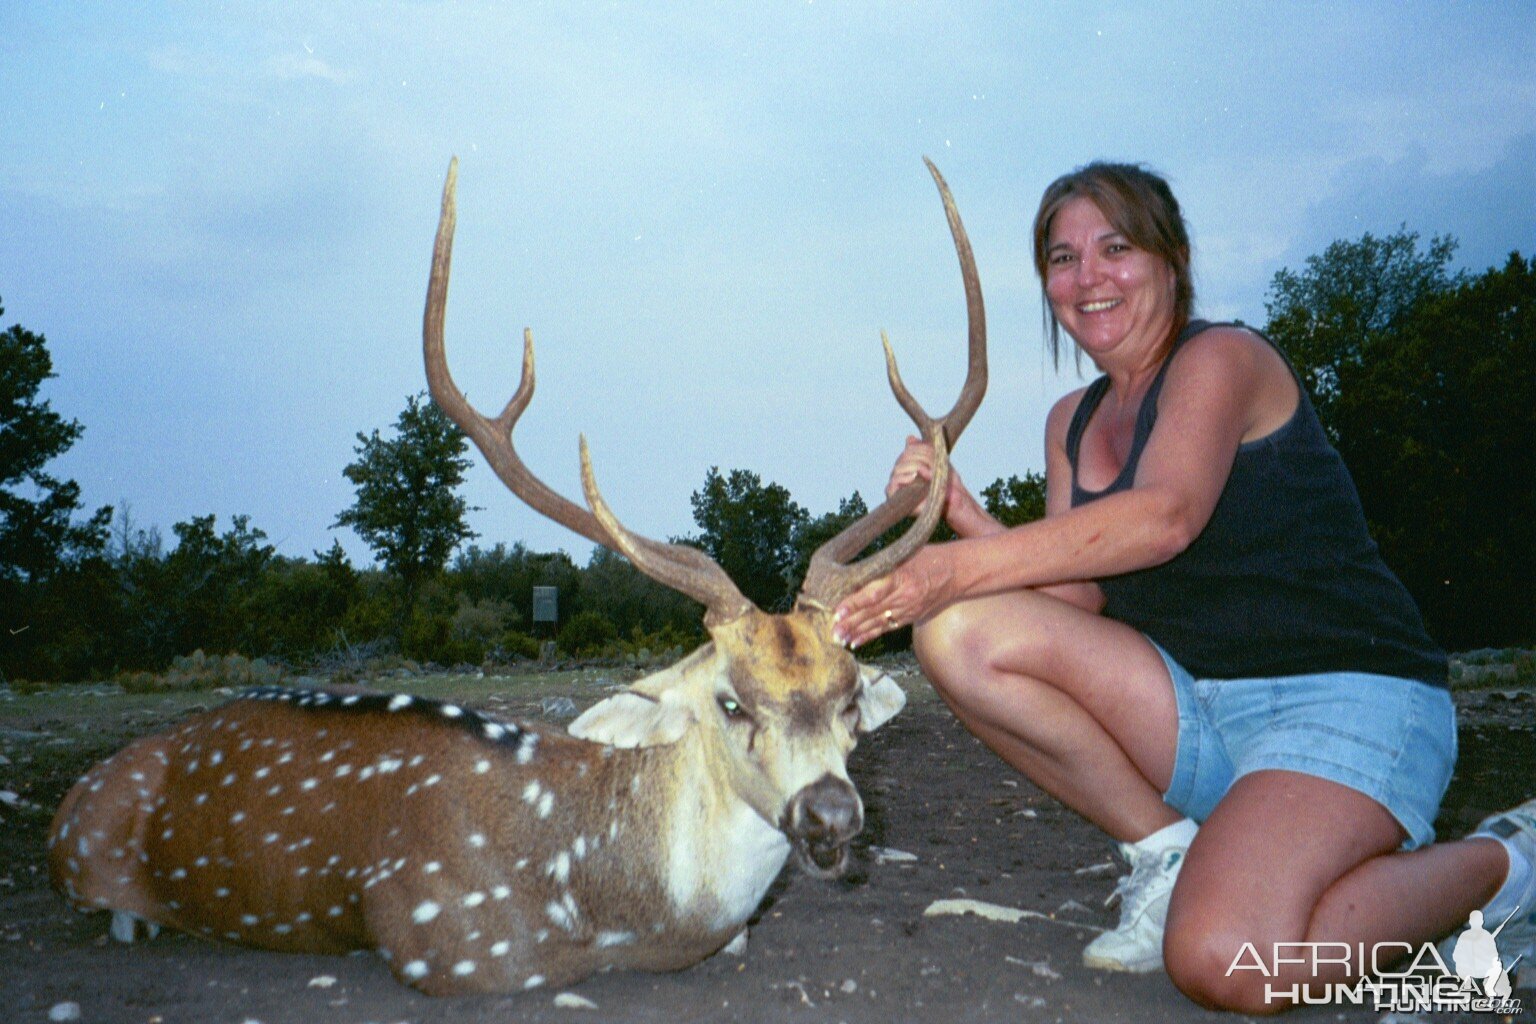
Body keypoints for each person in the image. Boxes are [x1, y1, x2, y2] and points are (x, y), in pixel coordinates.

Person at [831, 161, 1536, 1012]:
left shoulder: (1223, 358)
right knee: (956, 632)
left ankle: (1505, 865)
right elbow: (1083, 599)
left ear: (1174, 259)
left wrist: (948, 568)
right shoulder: (1070, 422)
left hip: (1350, 702)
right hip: (1200, 714)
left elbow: (1165, 517)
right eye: (1062, 257)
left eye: (1115, 247)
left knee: (1223, 961)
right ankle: (1167, 853)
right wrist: (963, 516)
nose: (1087, 276)